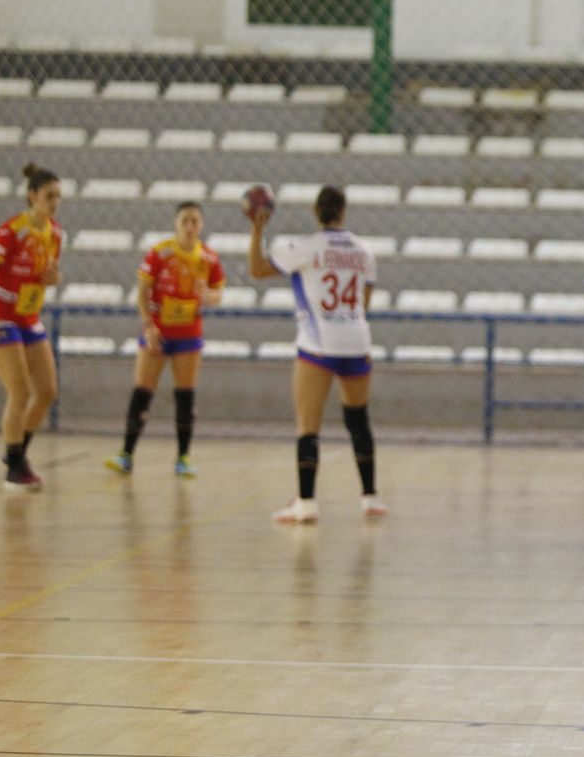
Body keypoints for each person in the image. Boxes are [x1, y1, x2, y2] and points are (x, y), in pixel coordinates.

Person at [247, 185, 386, 524]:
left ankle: (306, 503)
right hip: (356, 340)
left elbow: (257, 269)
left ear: (315, 212)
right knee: (358, 420)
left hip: (318, 344)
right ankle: (370, 497)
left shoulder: (304, 248)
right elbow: (363, 303)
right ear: (343, 211)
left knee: (308, 425)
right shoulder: (365, 251)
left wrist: (257, 229)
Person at [105, 202, 224, 477]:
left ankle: (183, 457)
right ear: (176, 223)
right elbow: (142, 292)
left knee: (185, 395)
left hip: (189, 334)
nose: (190, 226)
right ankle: (126, 454)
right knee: (142, 392)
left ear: (202, 225)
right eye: (185, 220)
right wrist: (148, 324)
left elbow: (218, 292)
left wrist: (209, 296)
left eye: (195, 220)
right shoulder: (160, 253)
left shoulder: (209, 257)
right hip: (159, 332)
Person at [0, 163, 64, 492]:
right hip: (2, 315)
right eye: (49, 196)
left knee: (47, 391)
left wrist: (52, 279)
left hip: (29, 315)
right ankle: (14, 463)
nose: (54, 202)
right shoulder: (12, 231)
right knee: (20, 390)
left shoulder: (55, 234)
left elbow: (45, 273)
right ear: (32, 196)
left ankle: (16, 453)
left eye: (58, 197)